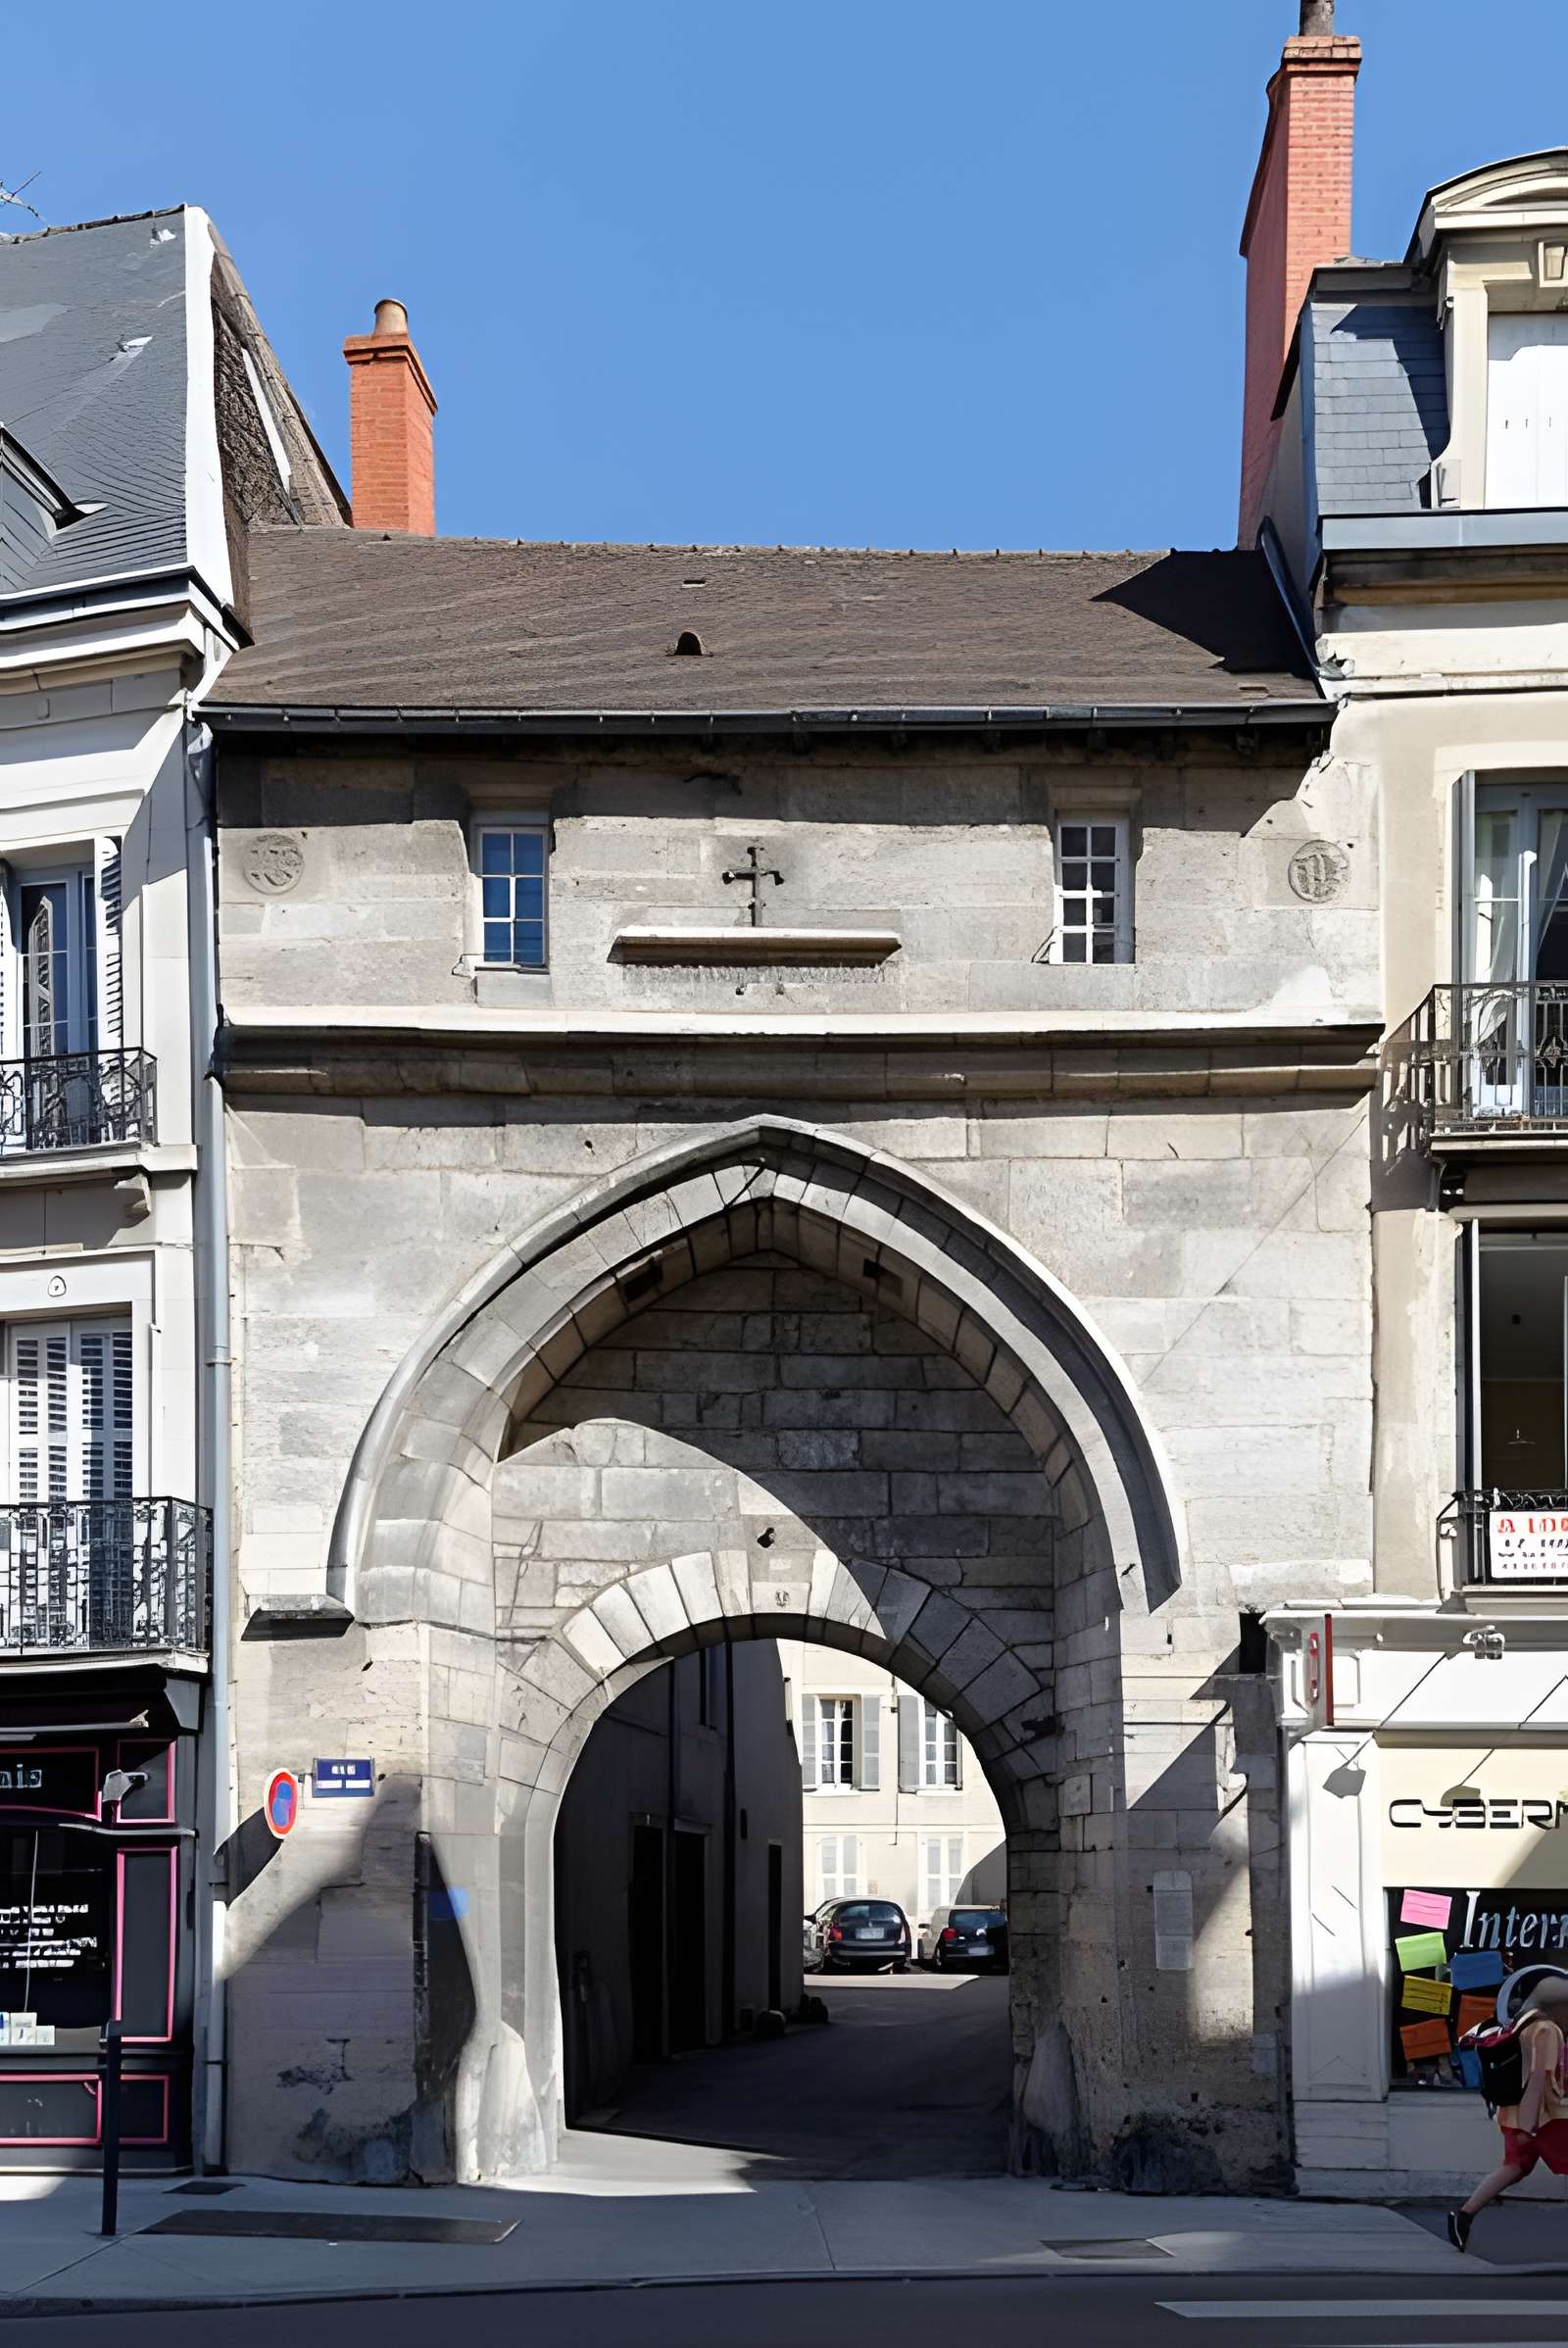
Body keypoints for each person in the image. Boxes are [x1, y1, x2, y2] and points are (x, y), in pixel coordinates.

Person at [1449, 1977, 1568, 2252]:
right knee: (1515, 2167)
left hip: (1513, 2114)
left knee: (1513, 2167)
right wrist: (1530, 2127)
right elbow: (1539, 2079)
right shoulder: (1548, 2031)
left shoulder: (1523, 2026)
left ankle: (1463, 2216)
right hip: (1544, 2120)